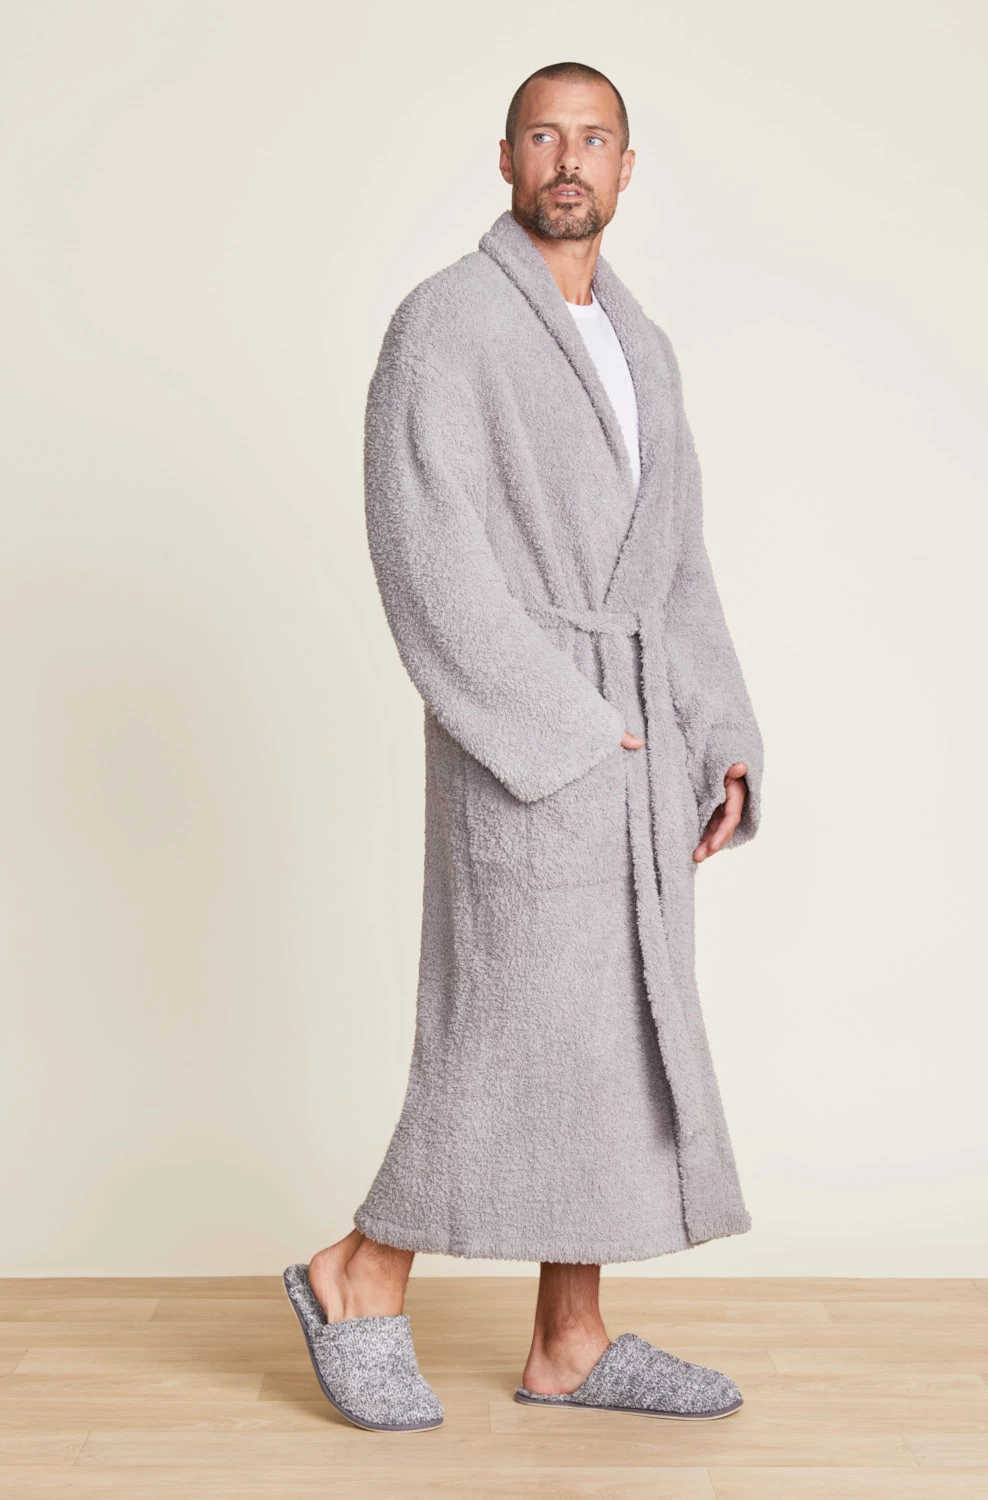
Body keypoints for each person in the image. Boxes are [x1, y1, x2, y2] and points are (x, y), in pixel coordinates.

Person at [284, 59, 766, 1432]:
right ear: (506, 161)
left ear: (626, 168)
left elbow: (676, 567)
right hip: (538, 735)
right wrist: (567, 728)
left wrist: (717, 733)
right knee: (500, 1028)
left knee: (612, 1040)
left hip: (644, 739)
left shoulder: (644, 346)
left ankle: (570, 1340)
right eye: (544, 137)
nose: (569, 159)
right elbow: (425, 550)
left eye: (593, 138)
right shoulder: (443, 325)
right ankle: (358, 1274)